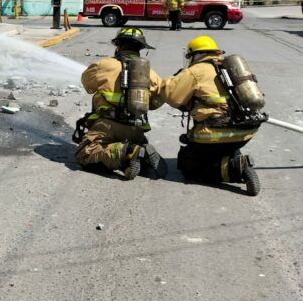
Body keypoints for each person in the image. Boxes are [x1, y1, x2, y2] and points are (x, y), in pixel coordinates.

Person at [160, 36, 261, 195]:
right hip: (245, 132)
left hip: (214, 135)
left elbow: (172, 97)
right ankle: (233, 158)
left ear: (195, 54)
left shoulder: (196, 71)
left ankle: (236, 168)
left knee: (189, 167)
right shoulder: (229, 67)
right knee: (223, 149)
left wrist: (169, 80)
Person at [75, 27, 167, 180]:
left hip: (107, 126)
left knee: (85, 154)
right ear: (140, 49)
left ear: (118, 46)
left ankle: (128, 152)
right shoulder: (151, 74)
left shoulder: (104, 65)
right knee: (127, 150)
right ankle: (140, 151)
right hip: (135, 129)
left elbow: (87, 85)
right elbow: (155, 103)